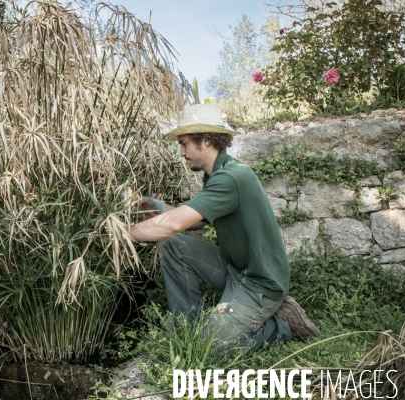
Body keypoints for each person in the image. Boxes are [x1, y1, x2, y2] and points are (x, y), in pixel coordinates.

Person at [125, 104, 318, 354]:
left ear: (205, 140)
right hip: (234, 269)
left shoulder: (231, 177)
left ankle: (281, 325)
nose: (181, 152)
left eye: (184, 144)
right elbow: (195, 221)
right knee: (174, 245)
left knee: (208, 348)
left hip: (260, 283)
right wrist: (154, 205)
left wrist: (122, 232)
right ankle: (186, 325)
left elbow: (174, 224)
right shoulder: (216, 174)